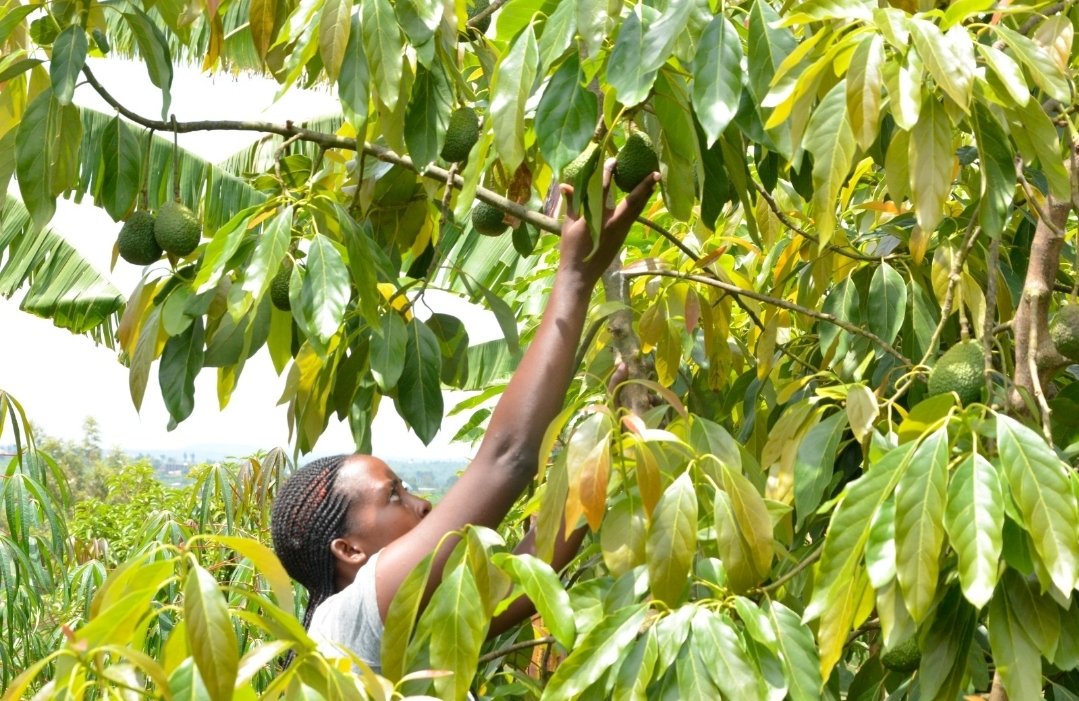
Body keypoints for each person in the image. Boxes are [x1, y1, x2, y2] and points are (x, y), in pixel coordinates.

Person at [270, 161, 660, 672]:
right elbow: (507, 458)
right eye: (394, 495)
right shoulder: (348, 620)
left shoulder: (424, 619)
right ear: (349, 550)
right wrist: (575, 277)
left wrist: (600, 436)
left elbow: (537, 556)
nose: (422, 503)